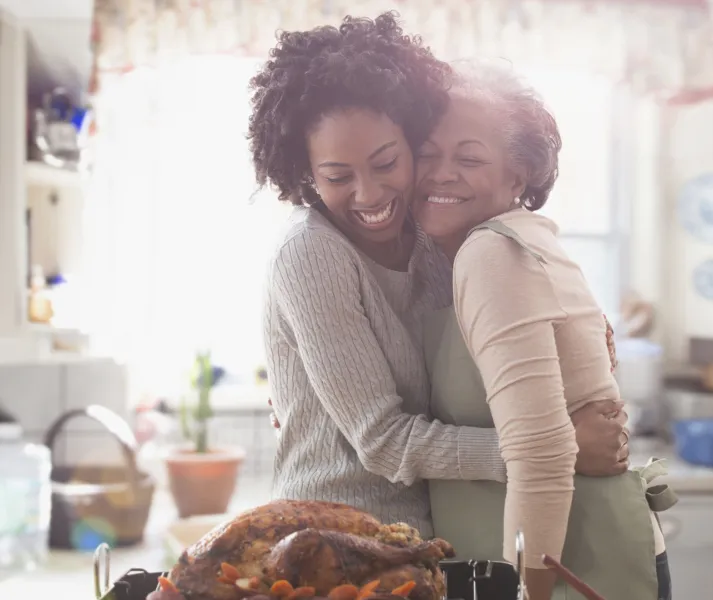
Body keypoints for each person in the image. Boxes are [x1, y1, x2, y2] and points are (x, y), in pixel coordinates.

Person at [249, 12, 630, 541]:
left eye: (386, 163)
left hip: (433, 540)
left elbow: (506, 335)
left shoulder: (435, 237)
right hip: (335, 542)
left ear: (410, 141)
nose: (369, 194)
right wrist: (553, 447)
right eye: (338, 176)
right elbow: (381, 440)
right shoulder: (311, 254)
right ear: (304, 174)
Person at [413, 60, 675, 600]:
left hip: (565, 568)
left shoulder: (492, 252)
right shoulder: (497, 246)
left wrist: (522, 592)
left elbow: (542, 455)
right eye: (427, 154)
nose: (440, 173)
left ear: (518, 176)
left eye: (469, 158)